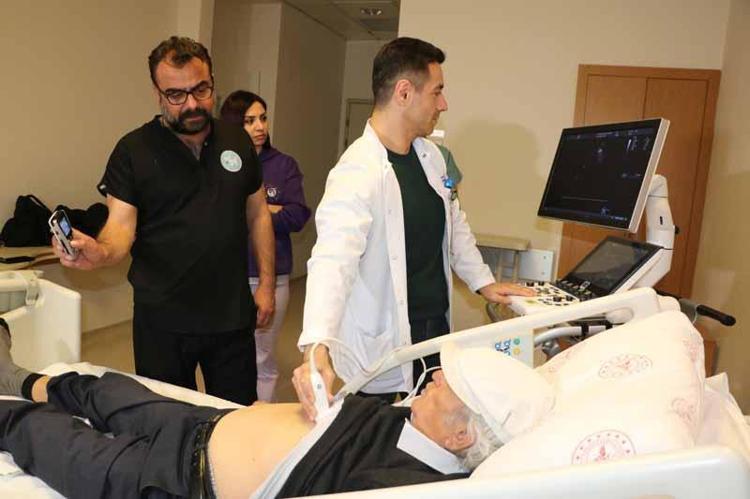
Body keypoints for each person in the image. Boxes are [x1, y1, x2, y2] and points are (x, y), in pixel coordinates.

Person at [0, 320, 553, 498]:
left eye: (449, 387)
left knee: (40, 437)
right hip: (202, 422)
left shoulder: (405, 486)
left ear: (461, 437)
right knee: (107, 390)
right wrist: (318, 373)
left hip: (176, 479)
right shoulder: (409, 417)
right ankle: (18, 376)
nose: (433, 379)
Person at [294, 37, 534, 415]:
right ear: (404, 93)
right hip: (383, 339)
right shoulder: (358, 170)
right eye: (437, 91)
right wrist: (316, 345)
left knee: (430, 423)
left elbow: (455, 225)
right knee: (380, 430)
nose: (443, 104)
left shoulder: (431, 157)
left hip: (433, 329)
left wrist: (484, 282)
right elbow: (332, 261)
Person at [50, 36, 275, 405]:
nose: (192, 104)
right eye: (176, 95)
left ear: (212, 81)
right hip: (163, 322)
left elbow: (259, 212)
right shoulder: (134, 151)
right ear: (157, 93)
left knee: (238, 416)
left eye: (201, 89)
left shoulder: (237, 140)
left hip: (231, 315)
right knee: (167, 420)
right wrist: (100, 253)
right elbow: (120, 229)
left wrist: (266, 284)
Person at [220, 91, 311, 401]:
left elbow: (297, 216)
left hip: (270, 278)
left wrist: (258, 212)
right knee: (227, 356)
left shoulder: (283, 165)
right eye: (249, 121)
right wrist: (269, 209)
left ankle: (260, 417)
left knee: (262, 357)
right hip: (227, 277)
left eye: (263, 118)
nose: (260, 126)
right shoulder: (220, 162)